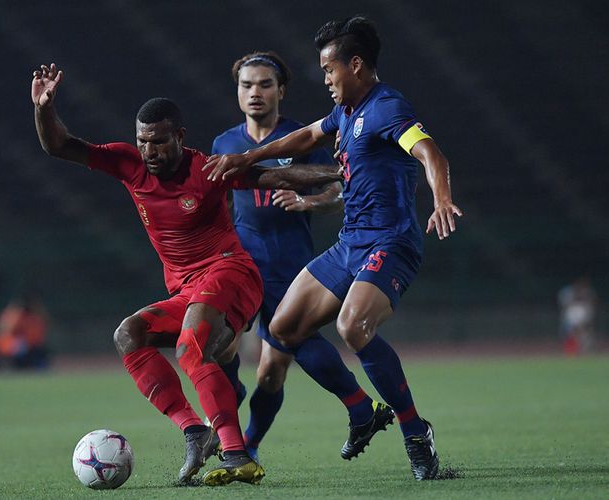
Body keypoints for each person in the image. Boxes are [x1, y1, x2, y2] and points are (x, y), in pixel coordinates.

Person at [31, 63, 343, 486]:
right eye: (143, 143)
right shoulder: (128, 164)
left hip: (231, 273)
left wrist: (344, 169)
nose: (149, 152)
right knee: (128, 335)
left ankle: (236, 454)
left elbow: (278, 174)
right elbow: (58, 146)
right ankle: (195, 432)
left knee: (192, 344)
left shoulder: (206, 170)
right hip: (186, 290)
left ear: (179, 137)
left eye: (159, 143)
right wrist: (44, 108)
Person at [204, 16, 463, 481]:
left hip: (391, 241)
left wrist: (441, 198)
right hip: (349, 244)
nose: (324, 79)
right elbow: (305, 137)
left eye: (329, 69)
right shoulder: (347, 110)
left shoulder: (385, 108)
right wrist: (248, 157)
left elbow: (430, 152)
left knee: (353, 325)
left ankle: (414, 433)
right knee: (282, 328)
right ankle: (362, 412)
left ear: (356, 65)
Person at [213, 51, 393, 463]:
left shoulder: (302, 137)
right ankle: (354, 406)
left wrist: (309, 201)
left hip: (288, 263)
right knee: (220, 343)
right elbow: (219, 201)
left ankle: (250, 445)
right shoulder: (225, 143)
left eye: (264, 84)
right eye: (246, 85)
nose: (254, 92)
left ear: (281, 90)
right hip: (241, 262)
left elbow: (340, 187)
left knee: (272, 370)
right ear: (237, 91)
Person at [0, 294, 49, 370]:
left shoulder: (34, 317)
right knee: (21, 348)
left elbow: (38, 336)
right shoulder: (14, 316)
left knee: (37, 354)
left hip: (30, 347)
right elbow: (4, 332)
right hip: (13, 346)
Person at [558, 276, 598, 355]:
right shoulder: (569, 295)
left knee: (584, 334)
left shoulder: (586, 296)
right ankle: (572, 349)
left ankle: (585, 349)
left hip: (581, 319)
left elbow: (593, 303)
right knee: (570, 334)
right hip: (572, 319)